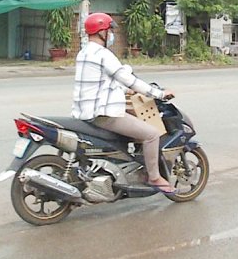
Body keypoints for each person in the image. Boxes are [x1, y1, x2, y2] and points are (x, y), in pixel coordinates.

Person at [72, 13, 176, 194]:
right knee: (151, 134)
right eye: (110, 30)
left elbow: (101, 83)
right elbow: (129, 80)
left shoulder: (84, 53)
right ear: (102, 32)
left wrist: (124, 91)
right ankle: (154, 178)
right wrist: (159, 94)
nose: (112, 34)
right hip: (104, 115)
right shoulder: (103, 54)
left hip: (85, 113)